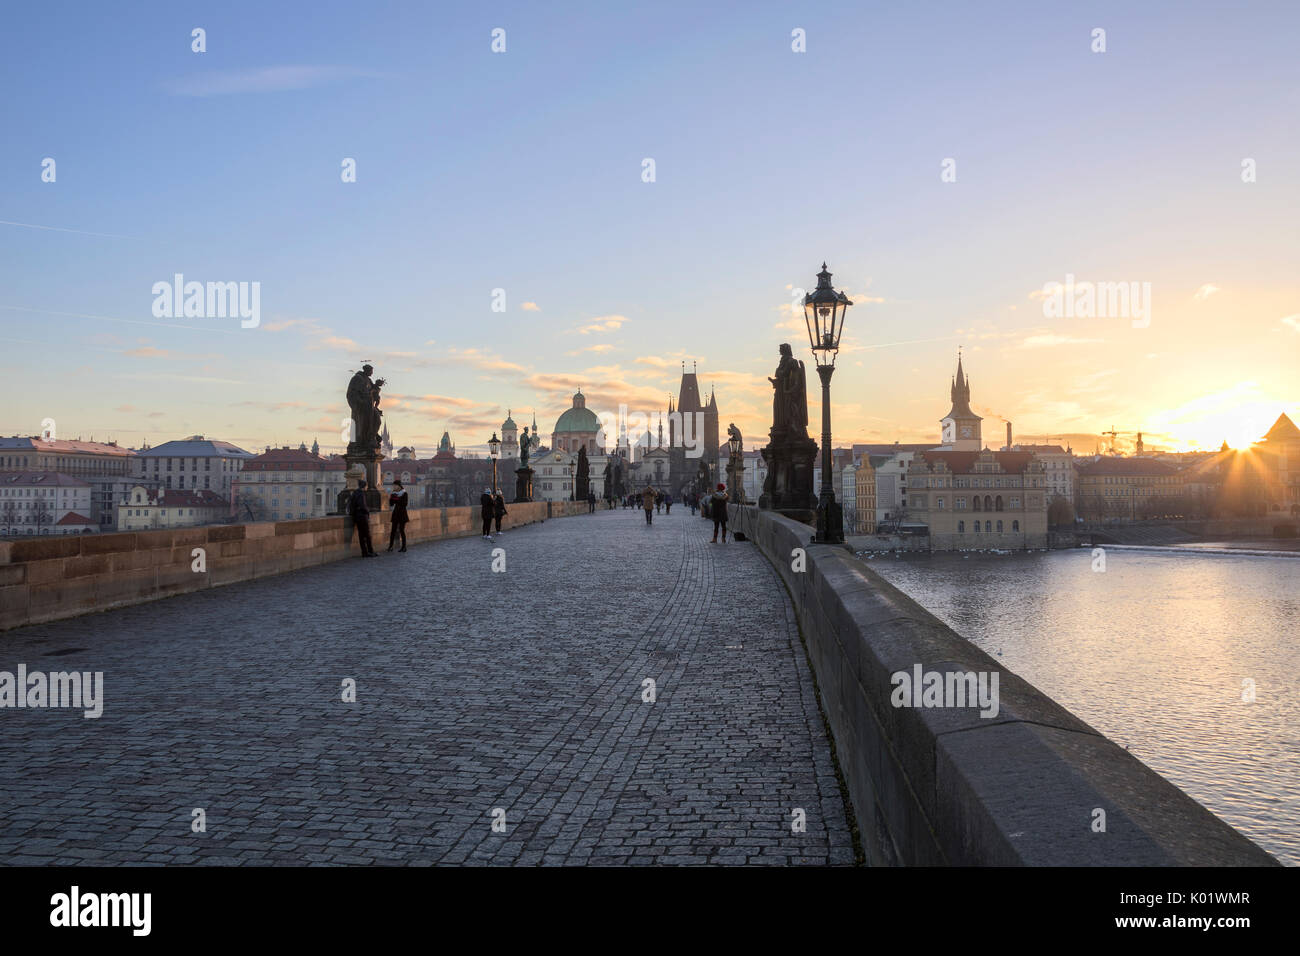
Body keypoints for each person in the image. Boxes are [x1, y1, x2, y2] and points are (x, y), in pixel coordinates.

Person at [350, 479, 376, 557]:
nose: (367, 487)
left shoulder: (355, 492)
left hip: (357, 516)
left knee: (361, 536)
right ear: (364, 486)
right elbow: (362, 506)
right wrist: (368, 511)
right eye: (367, 486)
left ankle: (364, 552)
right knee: (367, 535)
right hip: (362, 516)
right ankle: (371, 551)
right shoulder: (361, 494)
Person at [387, 479, 409, 552]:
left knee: (402, 530)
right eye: (393, 486)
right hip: (396, 513)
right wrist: (391, 498)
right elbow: (391, 504)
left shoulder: (404, 493)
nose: (394, 487)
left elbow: (405, 503)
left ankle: (404, 547)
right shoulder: (394, 493)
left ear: (399, 486)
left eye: (395, 486)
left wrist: (396, 499)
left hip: (402, 514)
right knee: (393, 531)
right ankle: (390, 546)